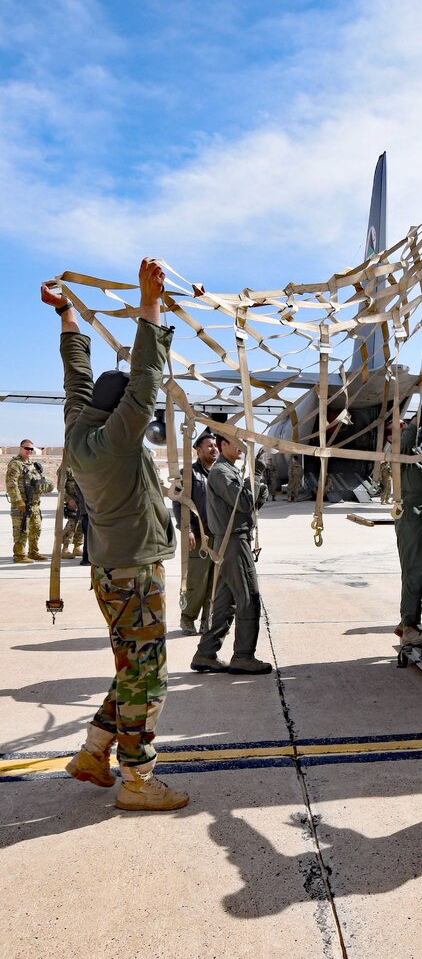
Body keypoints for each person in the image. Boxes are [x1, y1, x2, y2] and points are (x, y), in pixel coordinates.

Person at [41, 260, 188, 812]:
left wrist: (67, 314)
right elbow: (146, 380)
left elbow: (76, 374)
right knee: (148, 679)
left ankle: (93, 753)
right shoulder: (117, 440)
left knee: (133, 666)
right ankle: (138, 781)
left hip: (110, 568)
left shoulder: (80, 423)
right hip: (133, 570)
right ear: (119, 411)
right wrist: (150, 306)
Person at [190, 435, 272, 675]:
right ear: (223, 444)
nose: (242, 447)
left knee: (226, 603)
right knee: (249, 598)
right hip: (234, 541)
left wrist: (257, 481)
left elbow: (254, 501)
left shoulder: (228, 471)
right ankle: (244, 656)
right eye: (236, 442)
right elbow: (244, 503)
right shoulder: (222, 472)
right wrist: (255, 476)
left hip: (231, 542)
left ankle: (205, 654)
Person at [386, 415, 422, 647]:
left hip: (417, 515)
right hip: (409, 517)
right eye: (398, 426)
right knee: (413, 571)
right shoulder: (395, 453)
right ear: (390, 436)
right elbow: (404, 443)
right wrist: (414, 424)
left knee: (419, 571)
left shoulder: (411, 453)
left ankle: (407, 623)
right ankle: (409, 627)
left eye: (404, 424)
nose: (403, 426)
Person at [173, 430, 218, 634]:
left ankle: (207, 621)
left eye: (215, 445)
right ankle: (188, 618)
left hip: (219, 537)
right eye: (209, 445)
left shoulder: (221, 472)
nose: (214, 448)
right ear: (198, 450)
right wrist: (187, 529)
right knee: (197, 581)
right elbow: (179, 502)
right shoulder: (188, 474)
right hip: (199, 537)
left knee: (215, 583)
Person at [6, 440, 53, 563]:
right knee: (21, 530)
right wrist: (18, 501)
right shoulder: (15, 464)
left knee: (35, 529)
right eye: (27, 448)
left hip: (35, 504)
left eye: (31, 449)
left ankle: (33, 552)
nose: (29, 451)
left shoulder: (33, 465)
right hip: (22, 504)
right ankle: (19, 555)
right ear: (20, 448)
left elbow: (39, 482)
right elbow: (11, 484)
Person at [56, 463, 84, 560]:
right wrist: (68, 499)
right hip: (72, 501)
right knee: (72, 524)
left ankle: (77, 546)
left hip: (82, 499)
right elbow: (60, 486)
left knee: (81, 524)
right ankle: (65, 548)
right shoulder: (66, 467)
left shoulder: (81, 463)